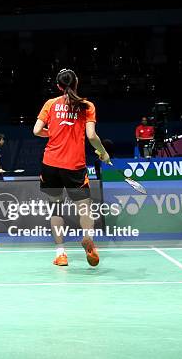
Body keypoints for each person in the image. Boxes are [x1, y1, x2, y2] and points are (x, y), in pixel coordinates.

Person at [33, 68, 111, 268]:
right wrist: (103, 152)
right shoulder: (87, 106)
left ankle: (61, 254)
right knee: (84, 208)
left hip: (50, 164)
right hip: (74, 165)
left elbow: (36, 130)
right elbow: (92, 136)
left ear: (59, 86)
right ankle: (87, 238)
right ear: (76, 83)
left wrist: (53, 134)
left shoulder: (50, 104)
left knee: (56, 209)